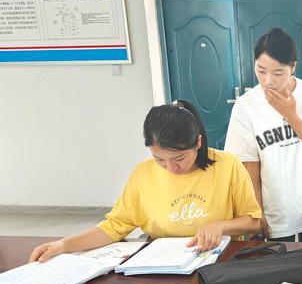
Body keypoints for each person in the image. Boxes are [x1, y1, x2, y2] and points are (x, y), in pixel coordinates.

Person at [30, 100, 262, 262]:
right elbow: (113, 227)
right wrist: (63, 245)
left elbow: (253, 222)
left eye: (179, 158)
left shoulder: (227, 165)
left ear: (198, 142)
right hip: (161, 266)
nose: (171, 168)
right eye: (159, 159)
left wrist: (220, 226)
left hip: (219, 264)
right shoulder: (143, 175)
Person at [224, 28, 302, 242]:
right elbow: (249, 167)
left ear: (293, 67)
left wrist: (290, 115)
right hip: (277, 210)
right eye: (261, 70)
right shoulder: (246, 106)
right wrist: (257, 214)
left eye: (278, 73)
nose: (268, 80)